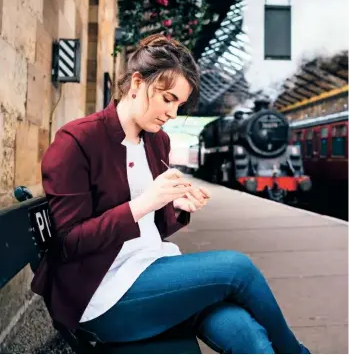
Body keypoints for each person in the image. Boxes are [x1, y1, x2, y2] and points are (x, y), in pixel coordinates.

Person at [32, 34, 310, 354]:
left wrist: (174, 206)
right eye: (168, 99)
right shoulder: (78, 140)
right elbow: (67, 243)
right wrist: (143, 204)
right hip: (102, 295)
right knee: (237, 268)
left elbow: (155, 229)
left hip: (156, 273)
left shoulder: (157, 141)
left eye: (179, 104)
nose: (173, 113)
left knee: (250, 337)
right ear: (137, 82)